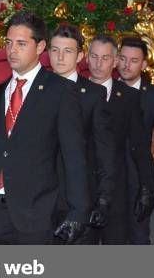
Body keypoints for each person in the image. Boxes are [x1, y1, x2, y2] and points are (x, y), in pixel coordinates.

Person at [0, 11, 89, 244]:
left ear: (40, 46)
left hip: (35, 215)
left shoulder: (60, 91)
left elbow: (74, 156)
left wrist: (78, 212)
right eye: (9, 43)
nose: (12, 50)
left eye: (21, 44)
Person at [49, 24, 116, 244]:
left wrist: (104, 200)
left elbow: (105, 153)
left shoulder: (93, 95)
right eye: (55, 50)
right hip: (40, 200)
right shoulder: (36, 90)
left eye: (67, 51)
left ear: (80, 56)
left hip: (79, 200)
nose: (60, 57)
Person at [87, 35, 154, 244]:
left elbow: (140, 146)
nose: (99, 64)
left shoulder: (128, 97)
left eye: (105, 58)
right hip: (81, 189)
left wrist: (147, 188)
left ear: (115, 61)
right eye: (94, 57)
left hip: (117, 189)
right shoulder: (74, 92)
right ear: (86, 58)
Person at [116, 37, 154, 244]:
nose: (126, 65)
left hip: (141, 179)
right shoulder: (106, 90)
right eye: (122, 58)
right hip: (111, 178)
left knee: (139, 237)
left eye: (133, 60)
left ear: (143, 64)